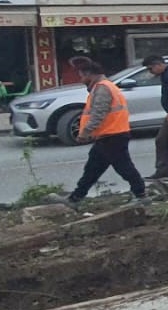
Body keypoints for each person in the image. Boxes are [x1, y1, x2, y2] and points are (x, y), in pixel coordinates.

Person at [62, 57, 148, 208]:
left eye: (82, 76)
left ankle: (141, 195)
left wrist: (85, 132)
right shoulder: (102, 86)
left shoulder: (102, 88)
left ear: (89, 74)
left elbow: (98, 113)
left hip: (113, 135)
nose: (81, 79)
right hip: (108, 135)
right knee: (92, 169)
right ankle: (75, 198)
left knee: (124, 167)